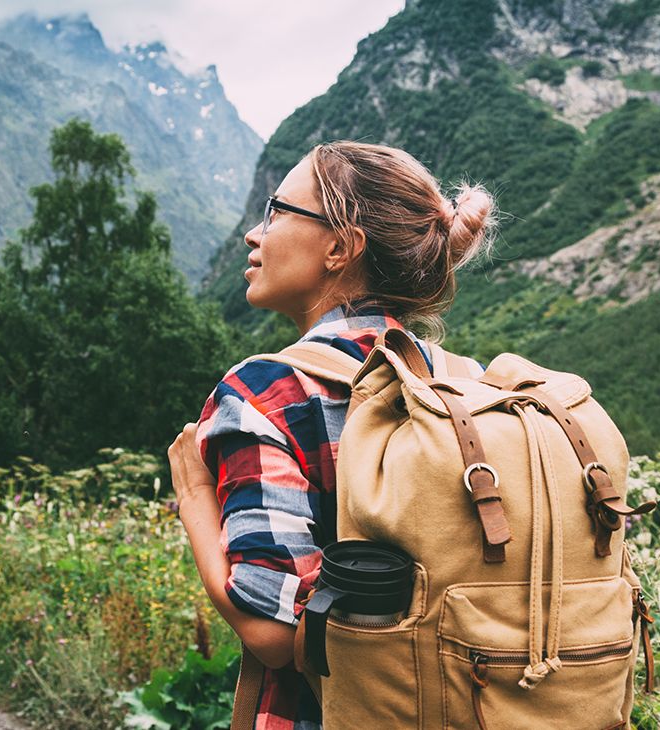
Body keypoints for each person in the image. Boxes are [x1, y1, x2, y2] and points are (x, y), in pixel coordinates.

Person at [165, 141, 496, 729]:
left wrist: (193, 498)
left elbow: (272, 631)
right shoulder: (470, 385)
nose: (253, 234)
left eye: (276, 211)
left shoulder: (267, 392)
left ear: (340, 247)